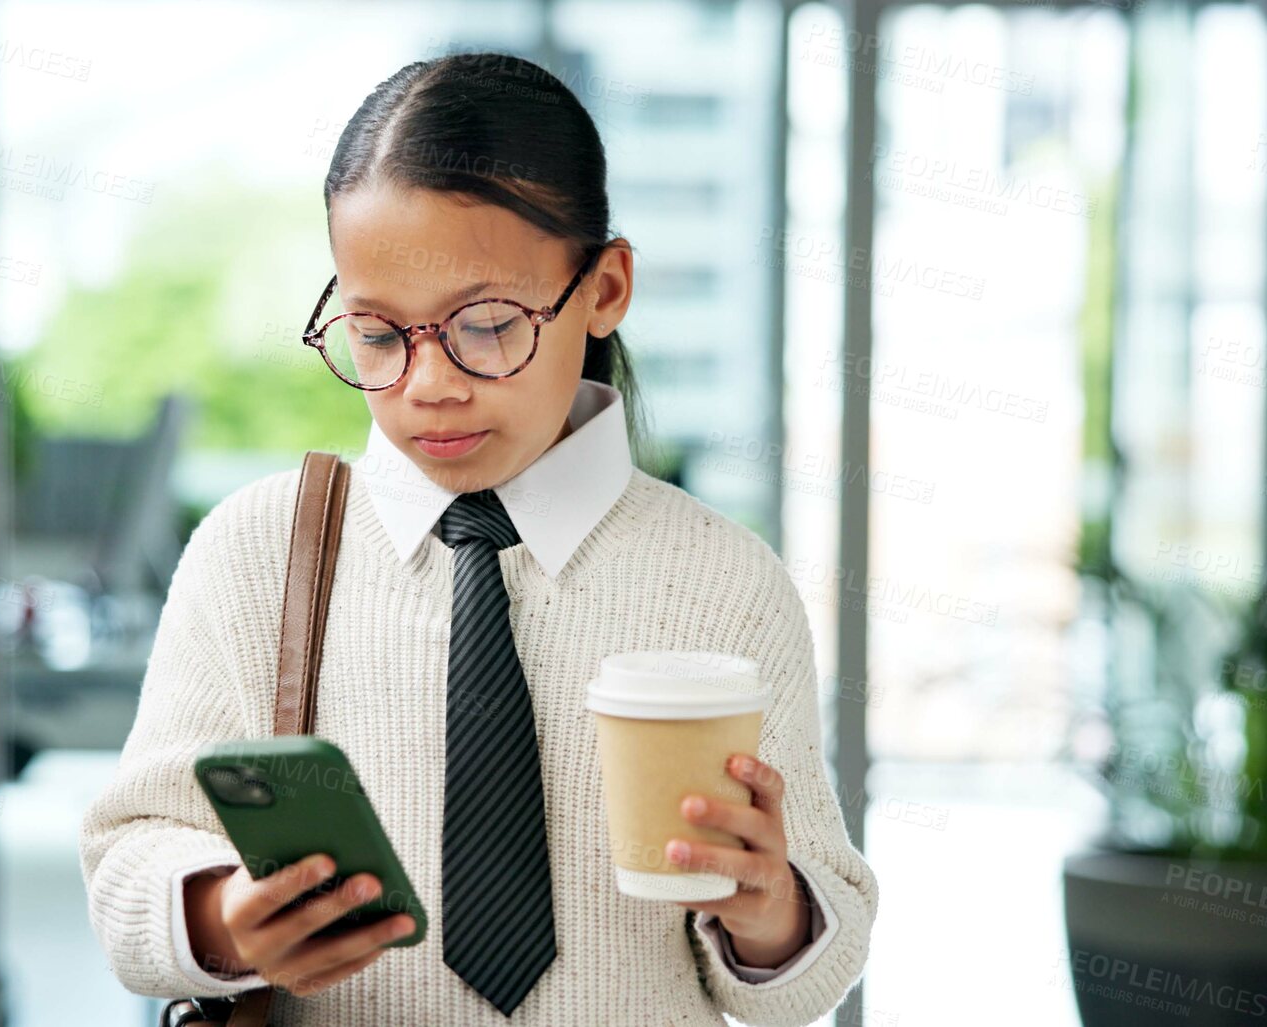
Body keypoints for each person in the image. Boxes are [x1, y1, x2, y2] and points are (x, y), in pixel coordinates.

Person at [80, 50, 877, 1026]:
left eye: (488, 325)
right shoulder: (255, 551)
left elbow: (811, 967)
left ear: (606, 288)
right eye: (376, 333)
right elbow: (127, 863)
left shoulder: (723, 582)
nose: (429, 384)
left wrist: (771, 912)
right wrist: (226, 919)